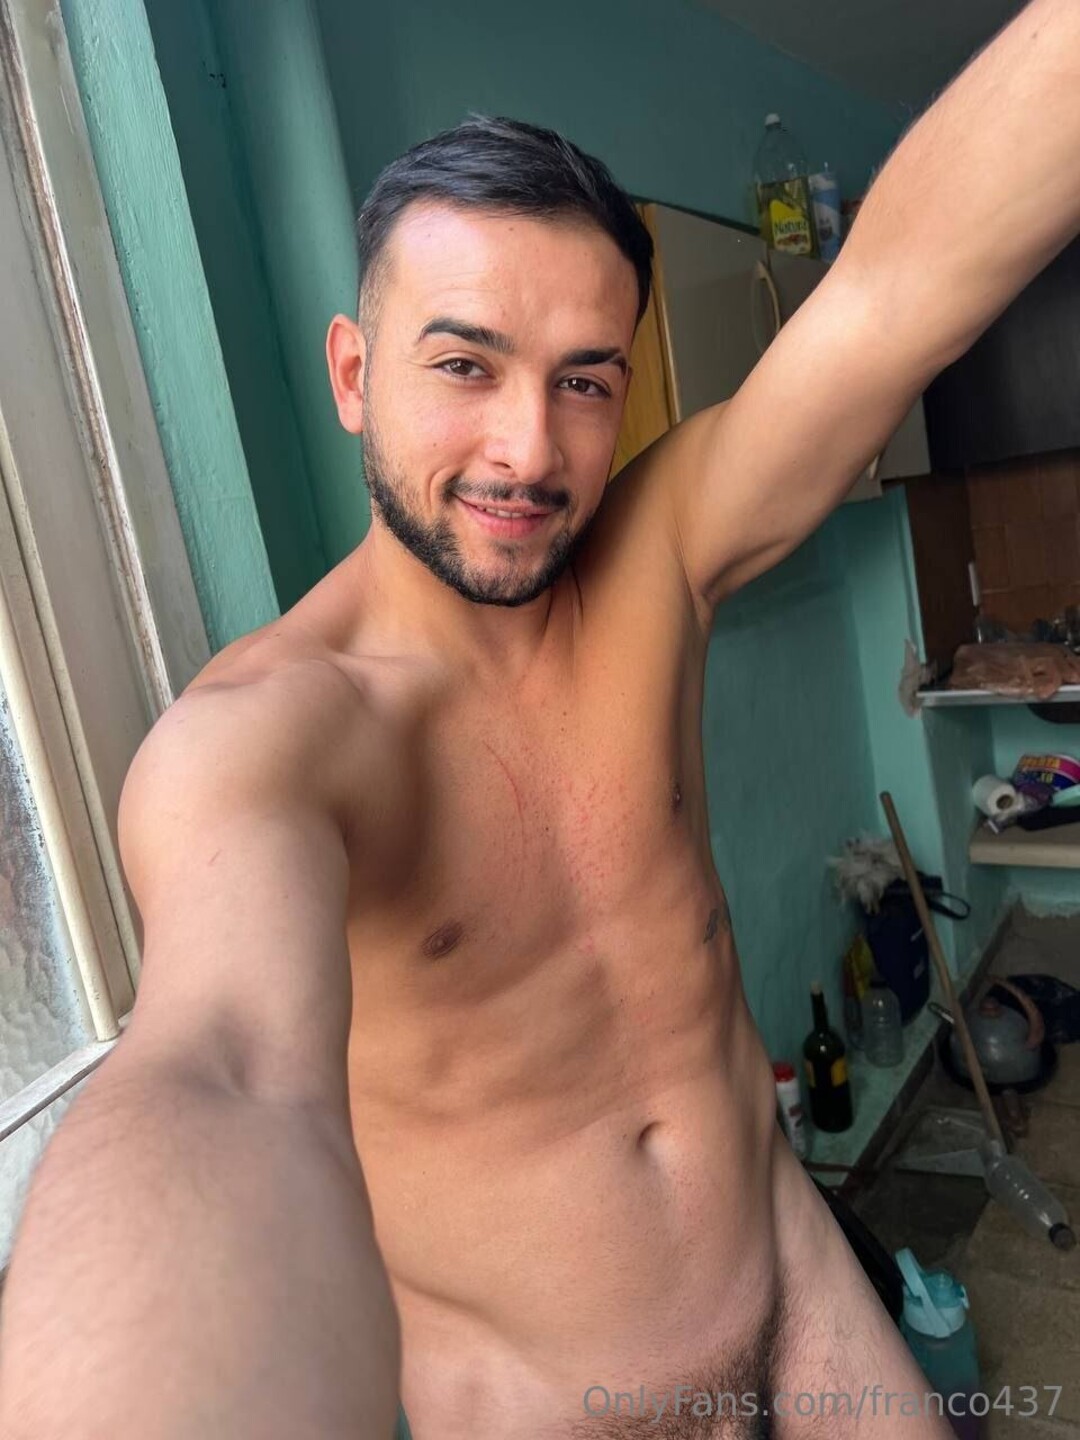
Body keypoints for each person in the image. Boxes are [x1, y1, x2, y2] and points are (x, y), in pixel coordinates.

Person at [0, 2, 1075, 1435]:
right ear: (355, 374)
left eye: (584, 381)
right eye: (465, 364)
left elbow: (893, 290)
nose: (528, 449)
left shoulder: (658, 560)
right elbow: (228, 1077)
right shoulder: (264, 744)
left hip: (799, 1293)